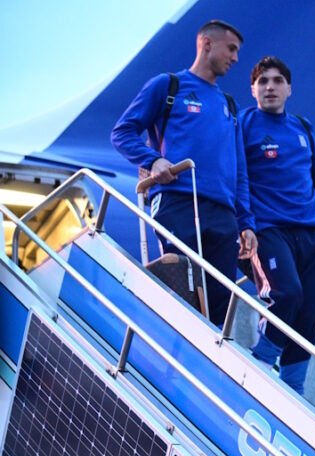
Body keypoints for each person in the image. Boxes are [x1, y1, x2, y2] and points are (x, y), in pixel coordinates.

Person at [111, 19, 256, 327]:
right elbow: (122, 132)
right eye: (231, 49)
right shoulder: (168, 86)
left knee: (220, 306)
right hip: (178, 201)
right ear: (207, 44)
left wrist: (246, 222)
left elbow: (239, 170)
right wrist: (153, 161)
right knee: (184, 291)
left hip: (223, 215)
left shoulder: (229, 105)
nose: (235, 58)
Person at [238, 56, 315, 394]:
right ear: (252, 89)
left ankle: (293, 388)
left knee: (309, 314)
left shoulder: (302, 127)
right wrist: (245, 223)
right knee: (288, 294)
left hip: (313, 235)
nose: (270, 87)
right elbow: (237, 177)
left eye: (278, 80)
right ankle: (260, 363)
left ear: (289, 89)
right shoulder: (243, 125)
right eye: (263, 81)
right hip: (269, 230)